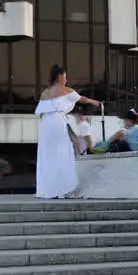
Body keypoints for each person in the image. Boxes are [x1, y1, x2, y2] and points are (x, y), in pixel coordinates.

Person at [34, 65, 101, 199]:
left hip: (45, 124)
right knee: (62, 152)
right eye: (65, 77)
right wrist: (94, 102)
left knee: (47, 154)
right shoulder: (65, 90)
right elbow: (81, 98)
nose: (66, 79)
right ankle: (62, 188)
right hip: (57, 122)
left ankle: (47, 189)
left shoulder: (45, 93)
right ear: (59, 76)